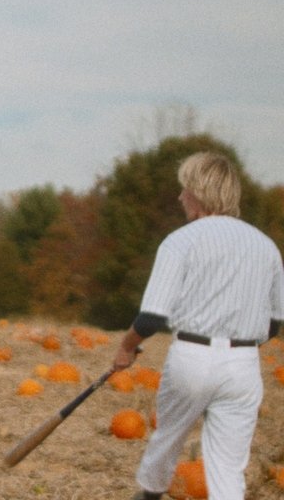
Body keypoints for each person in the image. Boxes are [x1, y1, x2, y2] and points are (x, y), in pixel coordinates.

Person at [113, 151, 284, 500]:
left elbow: (151, 317)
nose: (179, 197)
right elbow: (275, 324)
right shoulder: (266, 247)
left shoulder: (180, 242)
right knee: (228, 468)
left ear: (198, 191)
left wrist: (127, 347)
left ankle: (149, 495)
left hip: (192, 356)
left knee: (167, 439)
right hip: (243, 364)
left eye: (183, 189)